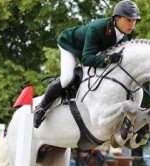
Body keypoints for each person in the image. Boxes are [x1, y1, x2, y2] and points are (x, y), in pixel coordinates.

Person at [33, 0, 141, 128]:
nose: (132, 24)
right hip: (71, 45)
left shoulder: (128, 35)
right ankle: (41, 107)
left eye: (134, 20)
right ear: (117, 19)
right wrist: (106, 59)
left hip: (93, 51)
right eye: (129, 20)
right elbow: (86, 59)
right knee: (68, 78)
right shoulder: (98, 28)